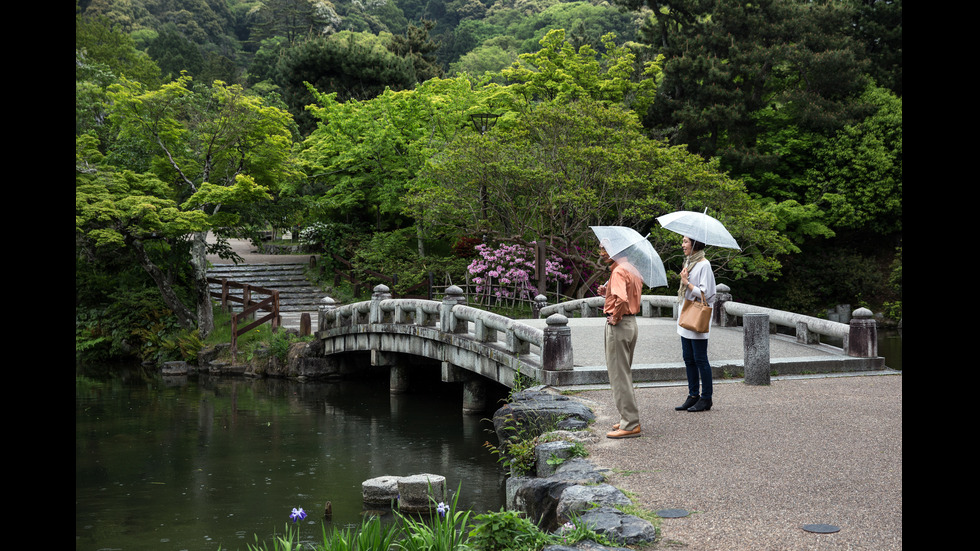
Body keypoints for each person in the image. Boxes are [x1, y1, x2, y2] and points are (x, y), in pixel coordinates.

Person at [598, 243, 644, 438]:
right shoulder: (632, 269)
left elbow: (622, 300)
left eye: (604, 248)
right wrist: (607, 293)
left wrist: (615, 317)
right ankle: (627, 418)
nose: (601, 253)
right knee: (623, 372)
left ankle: (631, 423)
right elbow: (627, 295)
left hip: (620, 325)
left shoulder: (618, 272)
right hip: (631, 324)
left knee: (619, 375)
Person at [675, 236, 717, 412]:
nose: (682, 244)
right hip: (685, 316)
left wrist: (687, 283)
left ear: (695, 244)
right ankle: (693, 395)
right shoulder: (689, 262)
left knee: (700, 359)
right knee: (688, 358)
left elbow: (708, 294)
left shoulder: (704, 264)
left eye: (685, 241)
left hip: (697, 316)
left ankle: (706, 398)